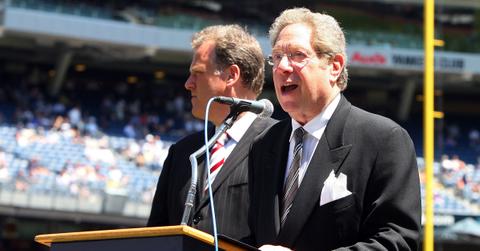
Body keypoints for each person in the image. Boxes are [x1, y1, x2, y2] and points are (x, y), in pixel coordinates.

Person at [247, 8, 421, 250]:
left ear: (335, 66)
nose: (282, 67)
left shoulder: (383, 140)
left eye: (297, 55)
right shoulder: (264, 144)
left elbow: (397, 241)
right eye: (276, 57)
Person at [147, 24, 276, 240]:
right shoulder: (182, 152)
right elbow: (155, 236)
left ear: (231, 76)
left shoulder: (279, 143)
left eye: (198, 73)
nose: (188, 84)